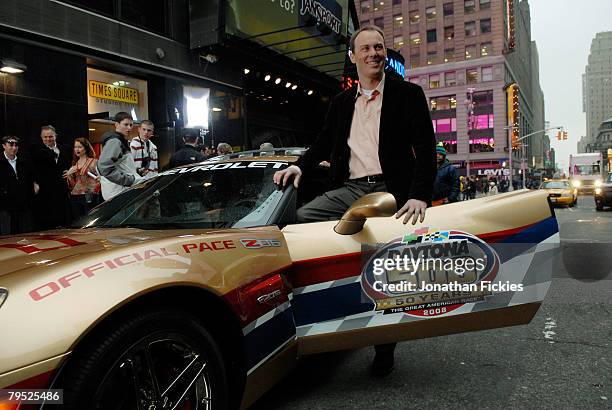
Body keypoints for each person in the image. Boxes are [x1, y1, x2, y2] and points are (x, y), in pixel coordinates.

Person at [273, 25, 436, 377]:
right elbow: (322, 141)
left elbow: (425, 149)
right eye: (365, 48)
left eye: (379, 47)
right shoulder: (343, 101)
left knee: (384, 268)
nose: (373, 53)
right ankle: (318, 308)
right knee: (301, 218)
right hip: (351, 189)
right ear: (353, 56)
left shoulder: (408, 93)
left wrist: (420, 195)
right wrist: (299, 167)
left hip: (392, 191)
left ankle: (384, 345)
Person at [31, 125, 72, 230]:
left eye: (50, 136)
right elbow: (32, 168)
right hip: (45, 189)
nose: (48, 139)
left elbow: (73, 163)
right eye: (45, 137)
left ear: (55, 136)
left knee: (63, 217)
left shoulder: (66, 148)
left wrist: (70, 171)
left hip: (62, 188)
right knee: (47, 219)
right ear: (41, 137)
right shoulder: (36, 150)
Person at [97, 112, 141, 201]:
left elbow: (122, 166)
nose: (129, 128)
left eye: (131, 125)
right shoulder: (115, 141)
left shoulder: (120, 140)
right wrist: (129, 180)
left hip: (121, 192)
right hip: (119, 193)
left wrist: (136, 171)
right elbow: (104, 166)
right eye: (125, 124)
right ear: (117, 124)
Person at [0, 136, 38, 234]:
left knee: (25, 234)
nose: (14, 147)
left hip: (23, 205)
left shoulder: (24, 162)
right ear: (4, 146)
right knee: (8, 235)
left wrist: (35, 185)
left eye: (16, 145)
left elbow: (32, 179)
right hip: (5, 207)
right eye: (11, 144)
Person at [64, 138, 100, 221]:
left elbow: (101, 178)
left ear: (86, 148)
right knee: (78, 221)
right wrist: (69, 175)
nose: (77, 149)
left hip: (90, 195)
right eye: (75, 147)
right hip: (75, 196)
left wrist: (98, 180)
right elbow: (73, 185)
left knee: (89, 219)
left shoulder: (94, 162)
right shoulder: (74, 164)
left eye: (80, 147)